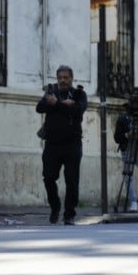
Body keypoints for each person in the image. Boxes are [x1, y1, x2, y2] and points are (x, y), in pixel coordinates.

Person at [36, 65, 87, 225]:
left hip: (72, 144)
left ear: (71, 78)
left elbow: (78, 111)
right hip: (52, 144)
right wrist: (63, 104)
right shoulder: (51, 92)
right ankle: (55, 206)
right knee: (48, 177)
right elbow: (39, 107)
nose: (63, 80)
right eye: (60, 78)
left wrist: (57, 104)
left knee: (72, 180)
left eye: (66, 77)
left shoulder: (79, 94)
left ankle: (69, 214)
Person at [113, 89, 138, 213]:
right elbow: (117, 138)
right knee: (128, 176)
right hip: (128, 148)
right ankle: (133, 201)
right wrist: (128, 135)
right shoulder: (123, 119)